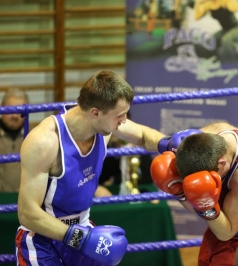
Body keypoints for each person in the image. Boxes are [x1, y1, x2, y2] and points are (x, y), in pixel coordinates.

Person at [16, 70, 167, 266]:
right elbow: (27, 213)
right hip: (42, 238)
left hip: (82, 228)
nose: (124, 121)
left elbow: (144, 136)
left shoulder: (105, 126)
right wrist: (80, 239)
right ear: (95, 113)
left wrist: (171, 144)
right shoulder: (45, 141)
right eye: (120, 116)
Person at [150, 122, 238, 266]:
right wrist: (180, 192)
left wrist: (206, 207)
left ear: (221, 163)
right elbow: (142, 136)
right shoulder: (212, 137)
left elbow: (227, 233)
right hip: (216, 233)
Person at [0, 88, 29, 193]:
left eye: (19, 111)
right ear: (2, 108)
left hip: (25, 201)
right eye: (10, 110)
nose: (15, 115)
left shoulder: (33, 138)